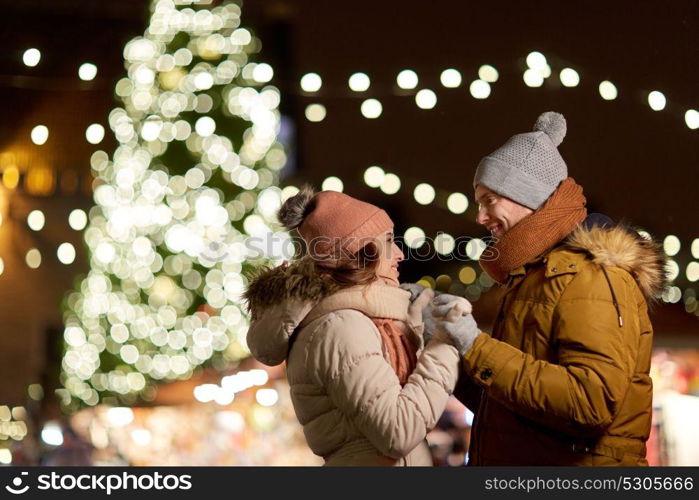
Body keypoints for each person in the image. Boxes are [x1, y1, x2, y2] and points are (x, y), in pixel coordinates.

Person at [432, 111, 667, 466]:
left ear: (527, 196)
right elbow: (510, 408)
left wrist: (476, 345)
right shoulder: (534, 276)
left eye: (489, 200)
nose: (480, 218)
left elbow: (590, 402)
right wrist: (445, 345)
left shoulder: (592, 275)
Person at [244, 187, 466, 466]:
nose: (399, 253)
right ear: (360, 253)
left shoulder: (363, 320)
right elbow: (398, 432)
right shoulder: (340, 328)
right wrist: (445, 344)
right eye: (388, 241)